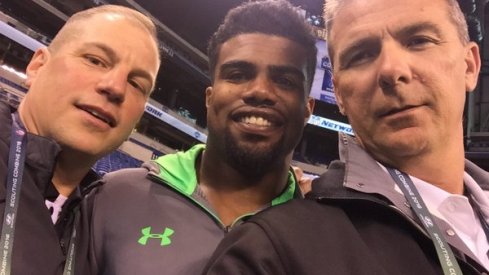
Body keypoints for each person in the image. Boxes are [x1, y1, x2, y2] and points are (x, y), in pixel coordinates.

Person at [203, 0, 489, 274]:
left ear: (470, 65)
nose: (392, 70)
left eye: (418, 40)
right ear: (339, 93)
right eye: (361, 55)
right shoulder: (272, 254)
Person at [86, 0, 316, 274]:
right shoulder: (113, 197)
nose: (260, 91)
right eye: (238, 74)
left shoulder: (322, 234)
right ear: (209, 98)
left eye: (285, 81)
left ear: (307, 109)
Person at [0, 5, 160, 274]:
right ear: (37, 66)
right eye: (95, 60)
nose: (116, 87)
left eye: (136, 84)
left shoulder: (110, 228)